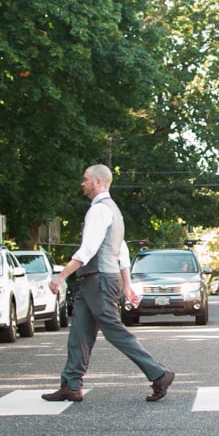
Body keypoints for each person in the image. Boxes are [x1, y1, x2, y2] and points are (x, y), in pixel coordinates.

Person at [42, 165, 175, 403]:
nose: (82, 184)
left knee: (114, 331)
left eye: (85, 180)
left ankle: (159, 373)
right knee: (80, 333)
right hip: (96, 278)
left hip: (100, 278)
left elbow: (88, 249)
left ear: (98, 182)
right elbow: (121, 251)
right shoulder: (113, 210)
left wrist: (62, 275)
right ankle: (71, 384)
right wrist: (127, 284)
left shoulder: (99, 211)